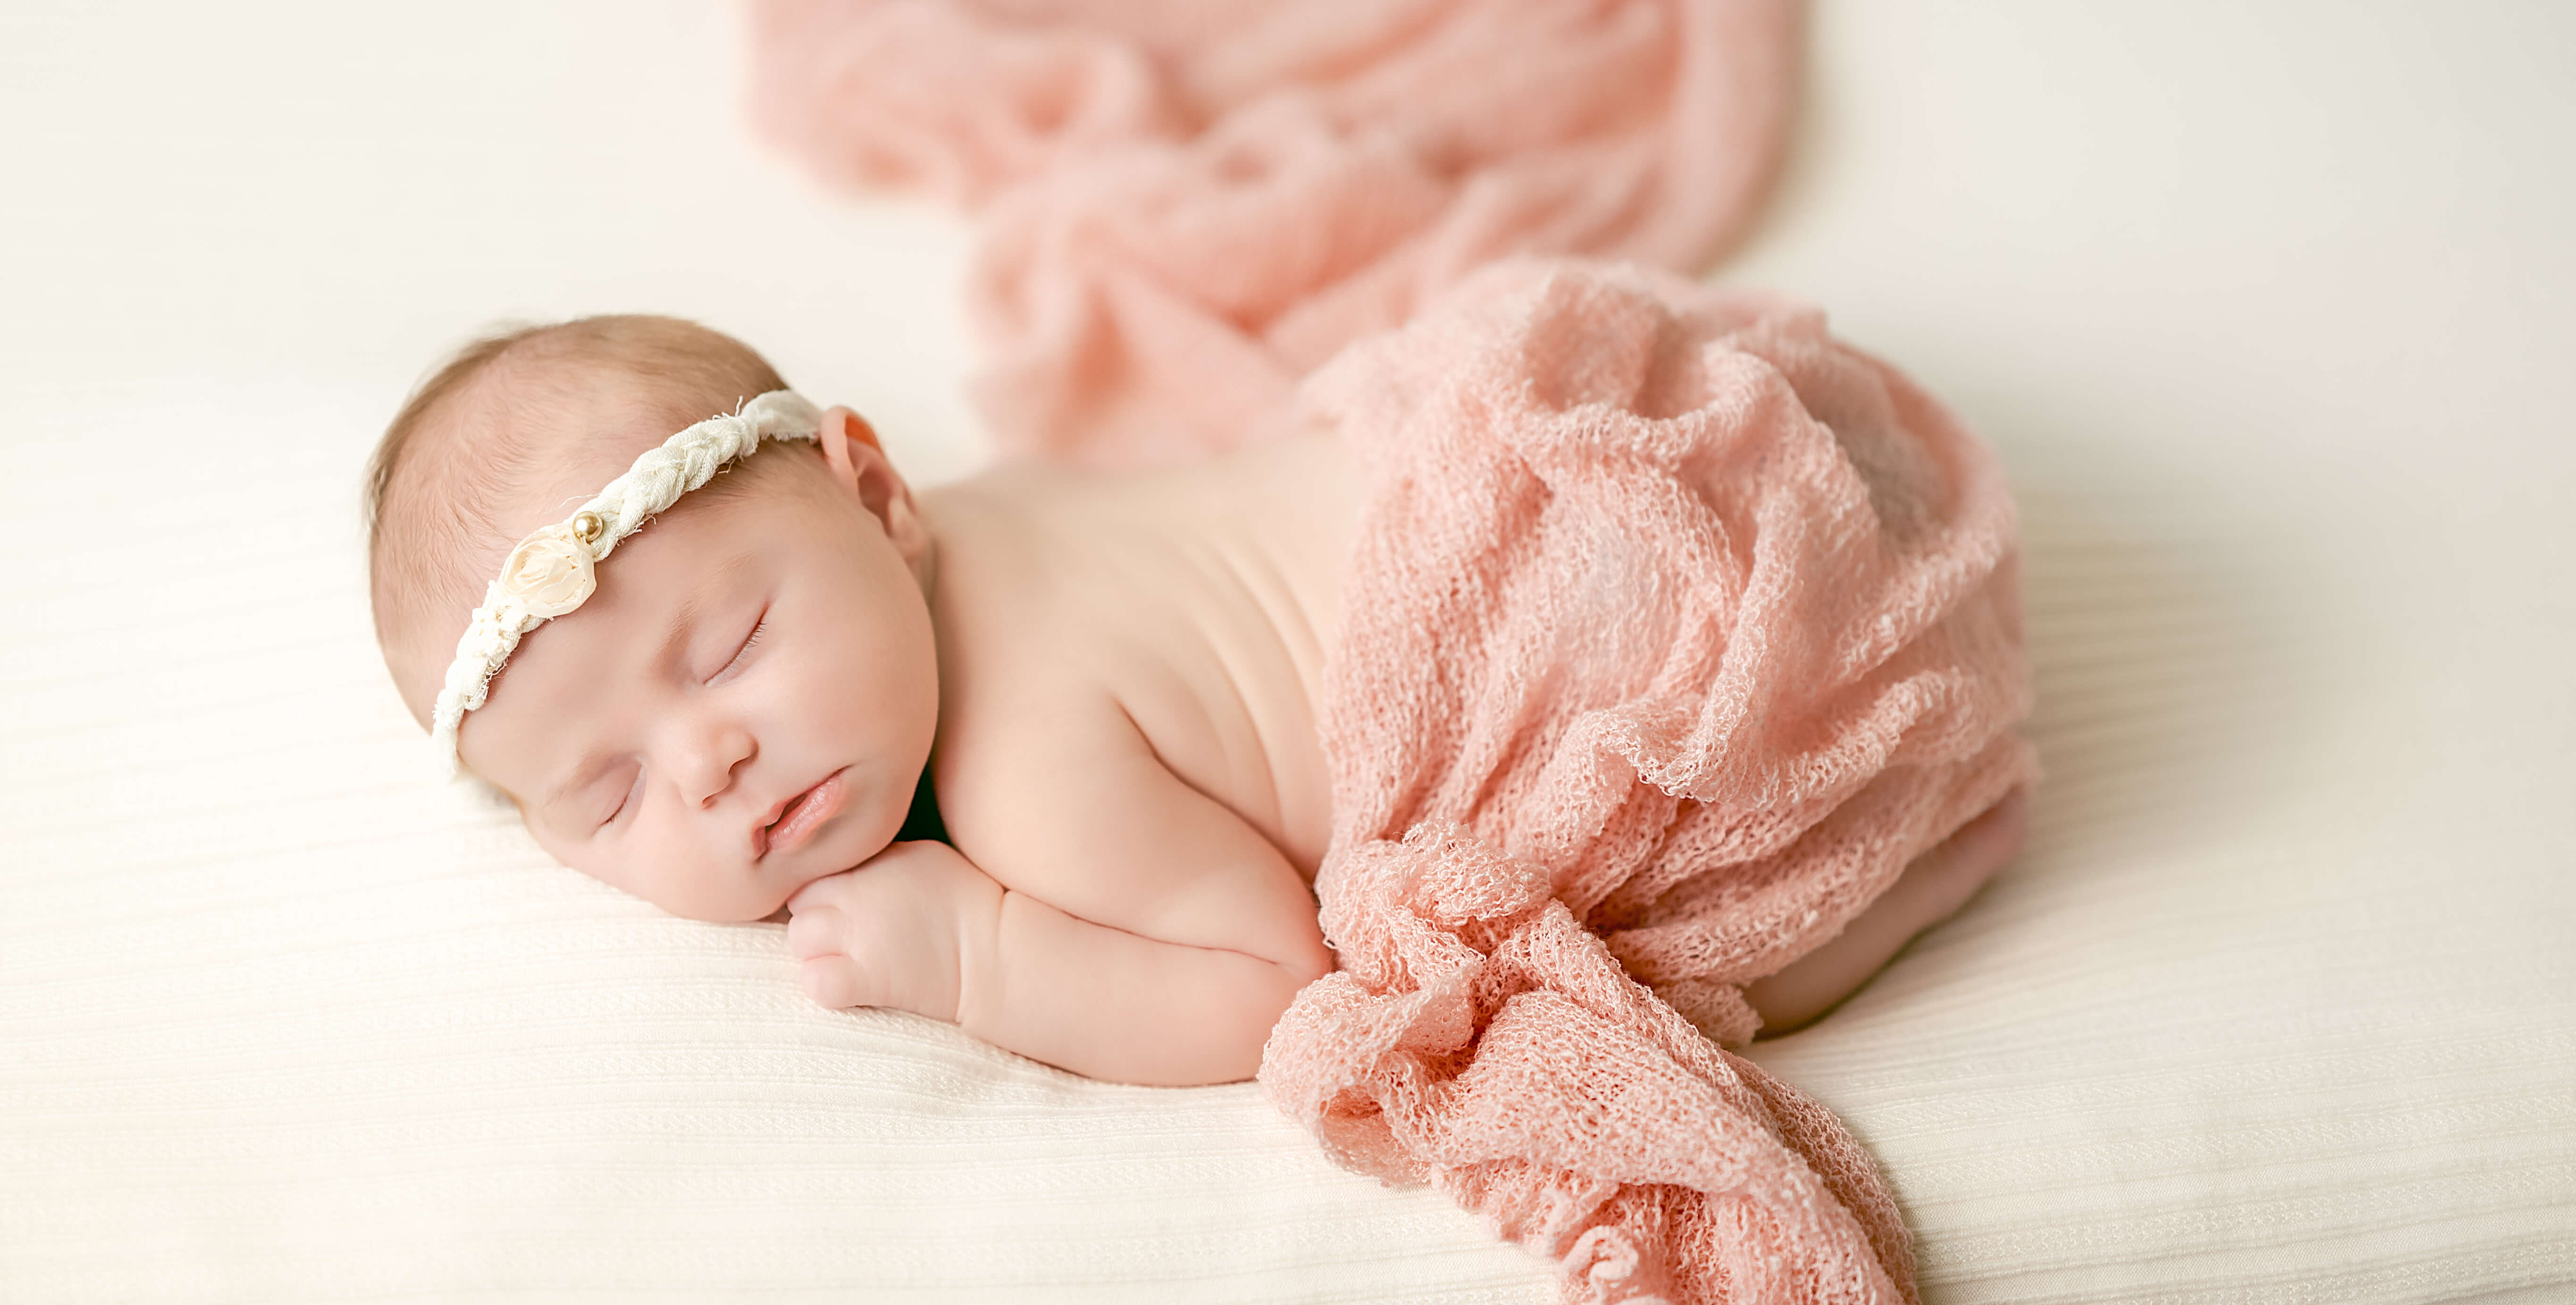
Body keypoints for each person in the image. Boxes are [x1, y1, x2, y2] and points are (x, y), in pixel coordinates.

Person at [368, 312, 2024, 1088]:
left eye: (727, 644)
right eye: (606, 795)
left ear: (875, 496)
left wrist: (977, 951)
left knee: (1679, 922)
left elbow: (1264, 981)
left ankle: (1906, 873)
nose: (710, 761)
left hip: (1586, 622)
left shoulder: (1027, 766)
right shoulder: (987, 506)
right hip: (1558, 455)